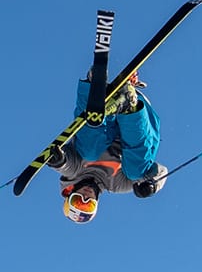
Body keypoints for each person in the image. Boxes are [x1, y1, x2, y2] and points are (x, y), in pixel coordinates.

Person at [55, 75, 167, 223]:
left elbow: (66, 165)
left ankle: (94, 90)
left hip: (105, 113)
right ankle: (129, 107)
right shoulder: (118, 184)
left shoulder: (75, 172)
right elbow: (161, 171)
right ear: (96, 203)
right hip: (139, 117)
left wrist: (58, 160)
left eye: (78, 201)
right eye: (89, 205)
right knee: (136, 173)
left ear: (70, 193)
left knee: (89, 152)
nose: (85, 197)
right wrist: (151, 185)